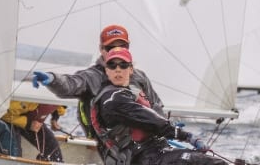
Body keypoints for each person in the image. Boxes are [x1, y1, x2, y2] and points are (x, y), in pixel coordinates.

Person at [91, 48, 227, 165]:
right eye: (112, 65)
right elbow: (151, 120)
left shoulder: (130, 92)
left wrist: (168, 125)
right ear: (106, 71)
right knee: (214, 163)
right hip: (150, 163)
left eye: (123, 65)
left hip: (157, 155)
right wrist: (187, 136)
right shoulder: (113, 99)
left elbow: (154, 113)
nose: (118, 69)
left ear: (131, 69)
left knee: (203, 159)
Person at [31, 24, 164, 140]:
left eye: (123, 46)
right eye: (111, 47)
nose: (117, 51)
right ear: (101, 49)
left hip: (141, 140)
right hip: (108, 142)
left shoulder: (140, 77)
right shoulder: (92, 76)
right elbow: (71, 84)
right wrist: (53, 79)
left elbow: (155, 105)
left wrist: (164, 127)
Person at [1, 101, 66, 162]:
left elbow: (61, 104)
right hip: (8, 120)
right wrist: (28, 124)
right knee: (14, 151)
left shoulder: (56, 93)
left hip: (32, 122)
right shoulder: (25, 102)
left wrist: (54, 118)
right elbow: (2, 113)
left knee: (52, 145)